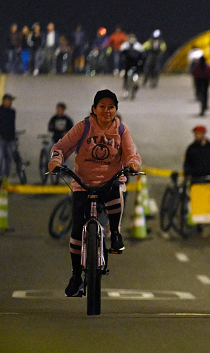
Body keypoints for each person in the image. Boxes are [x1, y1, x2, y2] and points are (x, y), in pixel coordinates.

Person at [47, 89, 141, 297]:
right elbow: (61, 147)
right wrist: (56, 160)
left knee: (116, 192)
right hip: (83, 183)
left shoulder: (122, 130)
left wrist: (132, 164)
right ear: (94, 109)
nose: (106, 111)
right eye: (102, 107)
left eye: (111, 107)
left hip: (109, 183)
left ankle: (115, 233)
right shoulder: (83, 127)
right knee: (77, 230)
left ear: (116, 110)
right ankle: (75, 276)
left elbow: (131, 154)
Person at [183, 124, 210, 236]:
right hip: (197, 181)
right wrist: (187, 175)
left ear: (203, 134)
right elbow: (187, 164)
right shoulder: (191, 148)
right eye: (195, 134)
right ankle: (199, 226)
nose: (195, 136)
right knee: (199, 204)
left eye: (197, 134)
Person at [0, 94, 17, 182]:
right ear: (4, 101)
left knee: (8, 158)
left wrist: (14, 137)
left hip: (10, 139)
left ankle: (6, 176)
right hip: (0, 139)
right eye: (9, 101)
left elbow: (12, 125)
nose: (10, 103)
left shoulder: (12, 112)